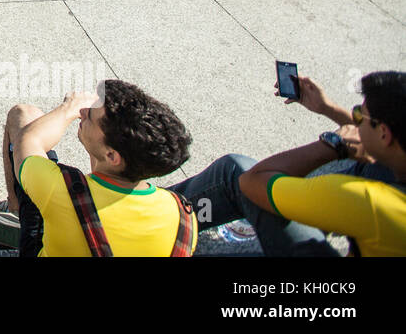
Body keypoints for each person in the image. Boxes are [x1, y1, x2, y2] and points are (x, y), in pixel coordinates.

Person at [172, 70, 405, 256]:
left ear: (384, 133)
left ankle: (160, 220)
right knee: (361, 165)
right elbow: (377, 148)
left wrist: (332, 144)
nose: (353, 121)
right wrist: (327, 108)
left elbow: (251, 181)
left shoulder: (366, 201)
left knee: (232, 171)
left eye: (358, 116)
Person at [0, 81, 194, 255]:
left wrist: (68, 108)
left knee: (24, 115)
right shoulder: (183, 218)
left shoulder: (58, 191)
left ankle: (14, 211)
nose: (85, 112)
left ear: (112, 155)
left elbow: (29, 141)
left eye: (92, 115)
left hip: (51, 229)